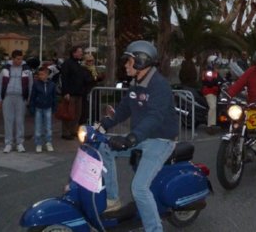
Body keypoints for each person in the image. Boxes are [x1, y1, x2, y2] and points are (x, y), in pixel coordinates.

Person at [98, 40, 178, 231]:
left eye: (129, 61)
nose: (126, 64)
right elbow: (125, 108)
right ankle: (112, 199)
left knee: (139, 188)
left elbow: (155, 117)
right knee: (103, 147)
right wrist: (105, 124)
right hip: (142, 137)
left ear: (141, 61)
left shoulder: (159, 85)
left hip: (161, 140)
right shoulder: (136, 83)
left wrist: (131, 138)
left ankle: (154, 229)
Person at [0, 49, 33, 153]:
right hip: (8, 97)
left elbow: (30, 85)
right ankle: (8, 143)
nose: (19, 61)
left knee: (20, 121)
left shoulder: (27, 70)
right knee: (8, 121)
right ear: (13, 58)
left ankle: (20, 143)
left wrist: (29, 98)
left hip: (21, 97)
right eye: (17, 59)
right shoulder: (5, 70)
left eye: (21, 59)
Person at [60, 45, 89, 140]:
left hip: (79, 93)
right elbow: (64, 78)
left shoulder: (79, 64)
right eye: (80, 51)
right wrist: (66, 92)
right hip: (70, 94)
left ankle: (73, 130)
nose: (81, 53)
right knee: (68, 114)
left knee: (77, 114)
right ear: (74, 53)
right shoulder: (67, 64)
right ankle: (66, 132)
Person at [29, 66, 57, 152]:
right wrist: (32, 107)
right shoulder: (36, 84)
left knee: (48, 127)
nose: (41, 76)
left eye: (43, 74)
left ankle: (48, 142)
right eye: (39, 74)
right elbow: (33, 96)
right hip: (38, 108)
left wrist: (54, 107)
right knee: (38, 127)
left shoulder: (52, 85)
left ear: (47, 75)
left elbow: (54, 97)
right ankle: (38, 143)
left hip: (48, 107)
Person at [201, 55, 224, 134]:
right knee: (213, 107)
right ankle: (210, 126)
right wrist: (217, 82)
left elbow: (221, 80)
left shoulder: (215, 71)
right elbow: (209, 82)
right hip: (209, 92)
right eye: (215, 63)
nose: (217, 65)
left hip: (216, 92)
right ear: (211, 63)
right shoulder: (209, 72)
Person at [80, 53, 105, 125]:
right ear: (85, 61)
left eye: (92, 60)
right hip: (87, 91)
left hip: (94, 90)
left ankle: (95, 122)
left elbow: (95, 78)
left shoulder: (94, 68)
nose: (91, 62)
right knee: (88, 108)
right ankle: (88, 123)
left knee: (95, 107)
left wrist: (101, 77)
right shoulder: (83, 69)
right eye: (89, 61)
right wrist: (96, 78)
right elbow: (86, 79)